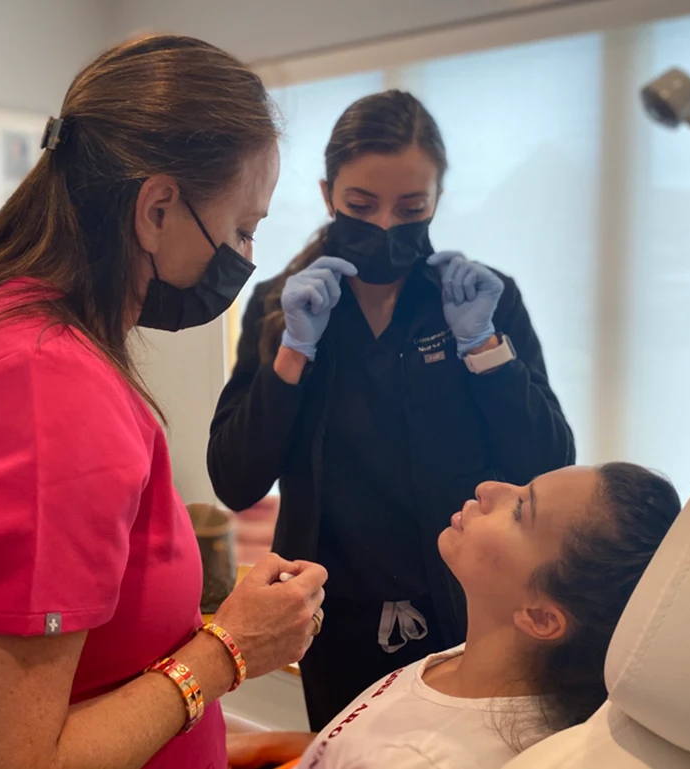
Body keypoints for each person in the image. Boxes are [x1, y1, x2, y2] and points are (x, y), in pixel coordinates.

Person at [0, 35, 328, 769]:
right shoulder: (41, 387)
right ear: (157, 210)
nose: (244, 256)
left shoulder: (22, 332)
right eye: (242, 228)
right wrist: (230, 649)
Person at [208, 90, 576, 730]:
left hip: (465, 611)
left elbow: (548, 461)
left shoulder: (477, 299)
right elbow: (236, 479)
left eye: (411, 207)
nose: (383, 224)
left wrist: (483, 347)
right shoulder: (284, 302)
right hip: (330, 613)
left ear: (436, 199)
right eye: (360, 205)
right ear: (328, 194)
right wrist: (294, 351)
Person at [226, 463, 682, 769]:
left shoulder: (425, 758)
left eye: (522, 509)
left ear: (542, 618)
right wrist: (268, 744)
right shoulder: (468, 663)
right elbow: (348, 748)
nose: (489, 489)